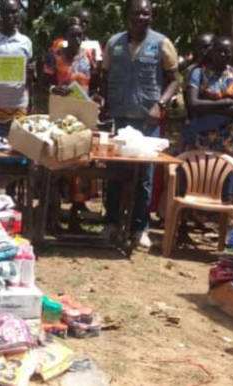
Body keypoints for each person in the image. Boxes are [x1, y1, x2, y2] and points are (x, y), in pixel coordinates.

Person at [101, 0, 179, 248]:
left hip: (147, 120)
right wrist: (103, 102)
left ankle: (139, 228)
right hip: (119, 119)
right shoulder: (114, 43)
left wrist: (161, 104)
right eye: (136, 13)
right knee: (114, 173)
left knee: (145, 176)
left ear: (151, 16)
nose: (140, 17)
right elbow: (104, 75)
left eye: (145, 13)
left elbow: (174, 81)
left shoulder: (161, 44)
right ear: (128, 16)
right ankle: (111, 222)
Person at [43, 21, 101, 232]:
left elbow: (95, 83)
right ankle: (52, 217)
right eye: (72, 35)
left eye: (80, 35)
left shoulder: (89, 56)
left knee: (80, 167)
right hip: (60, 116)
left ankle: (76, 218)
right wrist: (54, 89)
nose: (76, 39)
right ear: (65, 36)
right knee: (57, 163)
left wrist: (96, 96)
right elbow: (43, 83)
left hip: (82, 117)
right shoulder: (55, 55)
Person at [183, 37, 233, 197]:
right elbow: (192, 104)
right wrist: (225, 102)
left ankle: (224, 219)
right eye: (220, 50)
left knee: (226, 178)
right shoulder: (198, 73)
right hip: (200, 136)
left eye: (227, 51)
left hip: (229, 139)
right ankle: (191, 218)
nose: (223, 54)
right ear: (213, 51)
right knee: (196, 176)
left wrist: (210, 107)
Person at [0, 0, 33, 132]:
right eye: (6, 12)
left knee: (16, 150)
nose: (10, 16)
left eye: (14, 12)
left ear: (19, 14)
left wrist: (29, 73)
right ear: (0, 13)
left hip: (18, 106)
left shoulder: (26, 42)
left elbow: (29, 79)